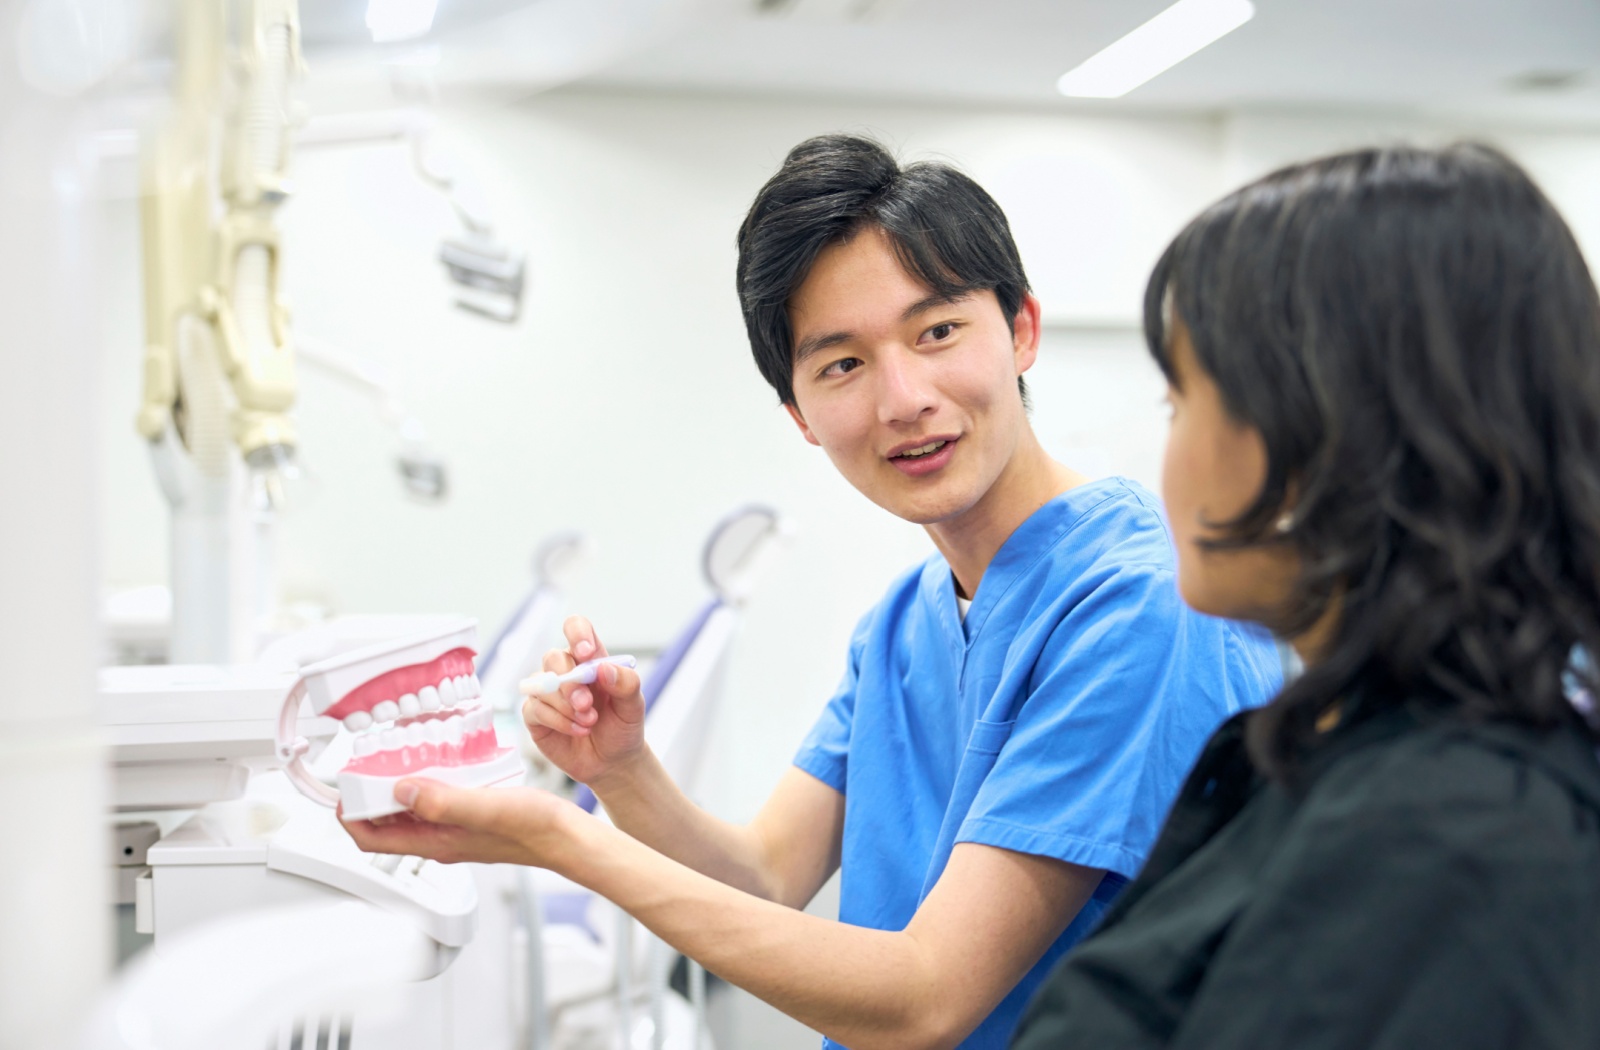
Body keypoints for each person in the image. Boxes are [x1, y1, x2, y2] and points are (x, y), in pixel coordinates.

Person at [342, 134, 1281, 1049]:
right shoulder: (905, 623)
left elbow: (926, 1001)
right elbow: (764, 877)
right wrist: (621, 773)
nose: (903, 397)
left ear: (1022, 330)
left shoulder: (1137, 605)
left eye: (939, 331)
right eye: (843, 364)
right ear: (798, 414)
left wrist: (563, 841)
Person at [1013, 143, 1600, 1049]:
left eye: (1181, 403)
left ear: (1320, 436)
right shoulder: (1331, 751)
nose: (1166, 457)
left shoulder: (1453, 841)